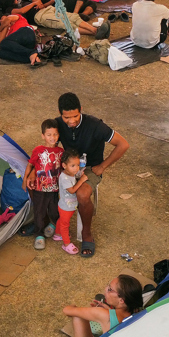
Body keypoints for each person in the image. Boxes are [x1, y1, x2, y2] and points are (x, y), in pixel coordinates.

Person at [54, 93, 129, 258]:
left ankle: (86, 233)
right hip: (68, 167)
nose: (71, 121)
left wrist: (102, 166)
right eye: (67, 117)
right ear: (60, 114)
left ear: (81, 110)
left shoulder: (95, 125)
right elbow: (49, 146)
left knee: (82, 194)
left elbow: (123, 144)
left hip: (90, 168)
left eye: (75, 116)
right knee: (45, 180)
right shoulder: (58, 124)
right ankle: (48, 223)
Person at [63, 275, 144, 337]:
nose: (105, 289)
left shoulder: (104, 314)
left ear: (121, 300)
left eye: (110, 289)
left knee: (78, 316)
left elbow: (67, 310)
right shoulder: (139, 315)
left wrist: (73, 306)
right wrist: (110, 311)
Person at [22, 120, 63, 250]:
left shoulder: (61, 152)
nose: (52, 138)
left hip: (54, 189)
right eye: (49, 134)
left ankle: (53, 224)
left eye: (55, 134)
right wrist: (25, 179)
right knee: (39, 212)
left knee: (54, 210)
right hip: (40, 188)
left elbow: (63, 168)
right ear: (43, 136)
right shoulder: (38, 150)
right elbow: (30, 164)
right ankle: (39, 235)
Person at [54, 150, 87, 255]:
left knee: (63, 221)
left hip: (69, 205)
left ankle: (58, 234)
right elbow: (72, 190)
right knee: (65, 224)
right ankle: (66, 244)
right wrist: (81, 180)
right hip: (65, 207)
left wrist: (79, 174)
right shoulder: (64, 178)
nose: (76, 168)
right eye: (73, 165)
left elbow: (74, 176)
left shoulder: (70, 173)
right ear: (64, 165)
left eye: (77, 165)